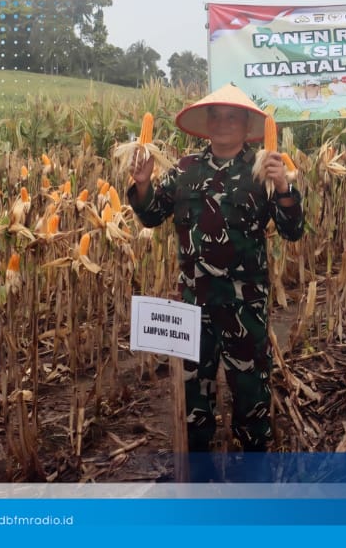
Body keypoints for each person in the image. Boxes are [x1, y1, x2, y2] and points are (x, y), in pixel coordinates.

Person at [128, 84, 304, 467]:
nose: (223, 124)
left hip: (245, 305)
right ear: (206, 125)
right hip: (195, 302)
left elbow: (293, 231)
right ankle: (200, 471)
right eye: (216, 117)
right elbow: (152, 215)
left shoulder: (263, 169)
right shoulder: (184, 170)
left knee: (250, 389)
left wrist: (283, 187)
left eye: (232, 117)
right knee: (195, 390)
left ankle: (255, 469)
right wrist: (142, 184)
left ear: (246, 125)